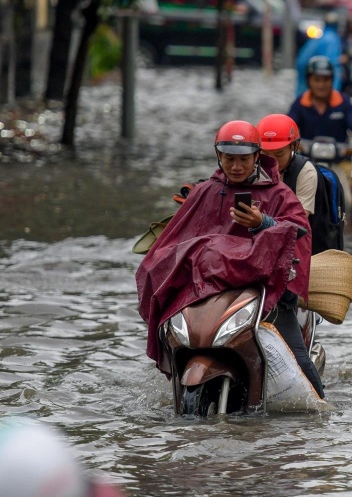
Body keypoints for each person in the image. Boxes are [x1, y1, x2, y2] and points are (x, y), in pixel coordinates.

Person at [136, 121, 324, 398]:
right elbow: (176, 241)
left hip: (266, 292)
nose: (236, 166)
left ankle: (320, 405)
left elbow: (300, 231)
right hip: (210, 291)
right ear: (218, 157)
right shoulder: (204, 193)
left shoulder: (279, 194)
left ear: (257, 157)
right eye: (230, 159)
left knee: (298, 359)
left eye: (243, 160)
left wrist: (264, 222)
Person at [288, 56, 352, 228]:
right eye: (317, 79)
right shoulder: (299, 104)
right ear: (309, 80)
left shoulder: (343, 102)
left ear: (332, 81)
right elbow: (289, 128)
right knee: (286, 187)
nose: (321, 84)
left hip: (341, 161)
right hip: (306, 161)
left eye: (326, 80)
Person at [296, 11, 343, 96]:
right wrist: (334, 92)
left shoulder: (320, 35)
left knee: (303, 95)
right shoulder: (332, 38)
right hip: (314, 68)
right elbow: (333, 63)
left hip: (303, 66)